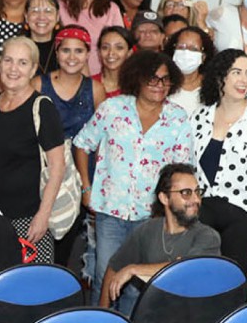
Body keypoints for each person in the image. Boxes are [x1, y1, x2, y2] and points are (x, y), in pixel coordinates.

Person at [73, 50, 193, 304]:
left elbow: (182, 171)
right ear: (137, 78)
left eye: (165, 79)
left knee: (137, 285)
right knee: (105, 277)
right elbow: (82, 143)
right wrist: (86, 188)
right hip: (110, 213)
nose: (159, 85)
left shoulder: (178, 118)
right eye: (152, 79)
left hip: (151, 217)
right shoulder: (112, 108)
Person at [191, 49, 247, 279]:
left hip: (243, 214)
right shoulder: (199, 117)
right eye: (237, 72)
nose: (244, 80)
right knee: (196, 278)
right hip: (203, 211)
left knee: (230, 284)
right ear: (220, 76)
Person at [0, 37, 66, 263]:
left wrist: (43, 215)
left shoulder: (42, 107)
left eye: (22, 63)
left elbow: (57, 167)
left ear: (34, 68)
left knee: (30, 291)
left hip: (29, 219)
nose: (13, 68)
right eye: (8, 60)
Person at [101, 163, 222, 315]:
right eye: (186, 193)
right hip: (153, 319)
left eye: (198, 192)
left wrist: (133, 269)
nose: (195, 199)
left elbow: (185, 269)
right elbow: (114, 268)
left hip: (193, 322)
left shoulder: (208, 236)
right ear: (164, 198)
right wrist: (102, 314)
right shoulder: (148, 230)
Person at [36, 27, 106, 268]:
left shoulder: (95, 89)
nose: (72, 56)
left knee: (72, 251)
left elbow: (103, 140)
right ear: (57, 52)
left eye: (78, 51)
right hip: (44, 175)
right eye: (66, 50)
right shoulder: (38, 84)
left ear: (88, 54)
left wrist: (92, 185)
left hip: (82, 176)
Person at [57, 0, 123, 74]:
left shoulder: (111, 9)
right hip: (66, 77)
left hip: (102, 80)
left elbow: (121, 47)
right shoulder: (59, 6)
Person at [165, 25, 217, 117]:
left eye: (193, 49)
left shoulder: (213, 85)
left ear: (203, 56)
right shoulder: (162, 83)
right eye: (181, 47)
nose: (186, 53)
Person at [27, 0, 62, 74]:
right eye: (35, 11)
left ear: (57, 16)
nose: (41, 17)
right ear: (26, 16)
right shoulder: (16, 47)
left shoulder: (66, 47)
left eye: (48, 11)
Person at [96, 26, 133, 99]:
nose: (111, 53)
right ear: (99, 52)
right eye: (105, 47)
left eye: (119, 48)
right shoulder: (88, 86)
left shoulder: (138, 86)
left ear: (129, 53)